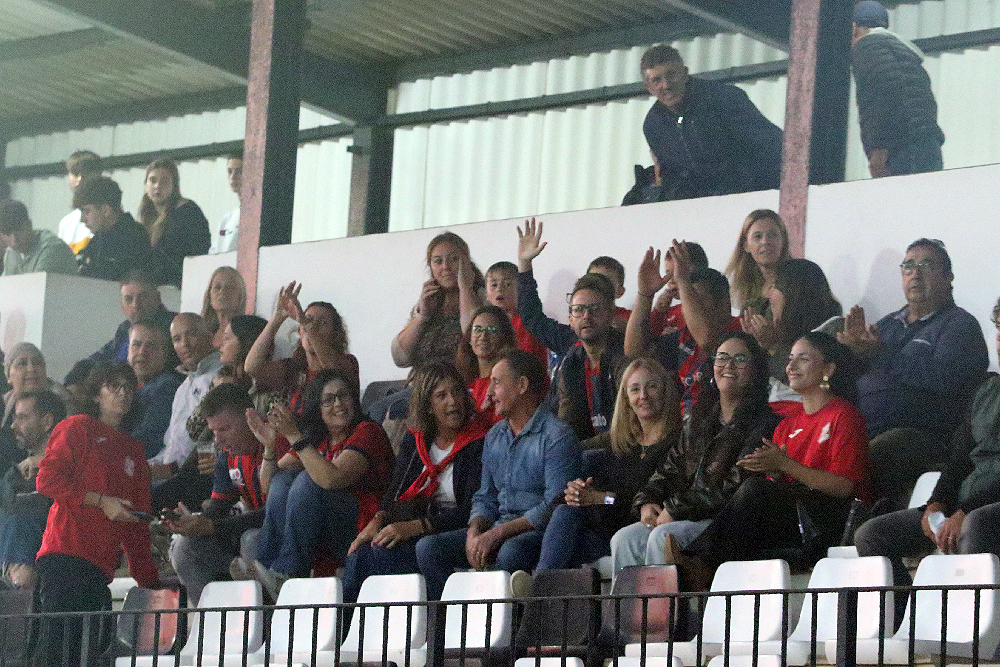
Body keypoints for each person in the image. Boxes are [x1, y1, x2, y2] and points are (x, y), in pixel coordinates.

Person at [674, 333, 869, 588]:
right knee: (754, 493)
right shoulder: (786, 425)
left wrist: (785, 465)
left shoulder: (844, 415)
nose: (791, 366)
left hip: (829, 519)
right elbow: (778, 488)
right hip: (796, 519)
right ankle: (704, 569)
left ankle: (702, 563)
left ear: (828, 369)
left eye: (802, 359)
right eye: (790, 359)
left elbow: (844, 487)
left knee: (754, 489)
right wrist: (774, 471)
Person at [855, 297, 1000, 592]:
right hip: (965, 504)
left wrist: (965, 510)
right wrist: (936, 503)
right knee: (871, 534)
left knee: (975, 526)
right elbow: (960, 459)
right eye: (999, 327)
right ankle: (906, 613)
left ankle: (978, 618)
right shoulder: (987, 389)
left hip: (983, 508)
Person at [416, 350, 581, 600]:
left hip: (538, 532)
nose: (489, 393)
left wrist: (497, 534)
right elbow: (485, 496)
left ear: (522, 386)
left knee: (510, 551)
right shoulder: (494, 436)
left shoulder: (557, 436)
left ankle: (511, 620)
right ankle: (453, 619)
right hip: (498, 526)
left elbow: (554, 505)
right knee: (428, 548)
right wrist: (474, 532)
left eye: (497, 382)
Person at [612, 333, 781, 574]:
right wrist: (647, 501)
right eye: (722, 358)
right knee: (624, 538)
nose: (729, 365)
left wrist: (676, 508)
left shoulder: (764, 423)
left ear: (755, 370)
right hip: (686, 514)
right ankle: (630, 601)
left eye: (740, 359)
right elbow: (668, 470)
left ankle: (667, 601)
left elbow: (735, 488)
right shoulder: (699, 419)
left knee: (662, 536)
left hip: (722, 521)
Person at [838, 238, 988, 506]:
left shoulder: (960, 325)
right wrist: (851, 352)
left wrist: (880, 354)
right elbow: (862, 373)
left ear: (948, 277)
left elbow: (945, 381)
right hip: (864, 425)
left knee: (869, 455)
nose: (915, 274)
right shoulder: (888, 324)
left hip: (923, 434)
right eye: (908, 266)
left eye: (926, 265)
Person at [32, 360, 159, 667]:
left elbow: (136, 523)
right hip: (64, 556)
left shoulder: (134, 450)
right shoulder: (78, 427)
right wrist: (102, 501)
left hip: (100, 567)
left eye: (128, 387)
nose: (123, 393)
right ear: (96, 393)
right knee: (58, 653)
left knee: (87, 655)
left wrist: (150, 583)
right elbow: (46, 480)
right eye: (113, 385)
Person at [342, 363, 487, 604]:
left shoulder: (478, 442)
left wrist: (416, 527)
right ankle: (344, 626)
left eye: (456, 392)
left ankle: (435, 620)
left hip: (453, 529)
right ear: (428, 406)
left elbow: (471, 510)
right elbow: (396, 488)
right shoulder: (417, 438)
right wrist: (377, 521)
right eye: (442, 395)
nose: (453, 401)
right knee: (360, 553)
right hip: (419, 525)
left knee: (389, 554)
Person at [248, 369, 392, 599]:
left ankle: (288, 573)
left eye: (343, 396)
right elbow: (269, 485)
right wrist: (269, 447)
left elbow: (331, 479)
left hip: (362, 529)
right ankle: (264, 574)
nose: (339, 404)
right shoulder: (318, 439)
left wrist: (294, 436)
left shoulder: (368, 431)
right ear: (317, 408)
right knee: (283, 481)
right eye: (329, 399)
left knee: (308, 481)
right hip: (324, 529)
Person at [536, 358, 681, 571]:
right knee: (551, 525)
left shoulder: (678, 443)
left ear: (665, 392)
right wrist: (575, 494)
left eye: (651, 387)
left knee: (558, 537)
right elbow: (606, 495)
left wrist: (601, 498)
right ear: (626, 399)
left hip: (638, 531)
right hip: (604, 529)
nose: (643, 396)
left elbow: (631, 502)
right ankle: (541, 584)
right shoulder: (623, 444)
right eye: (635, 389)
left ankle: (540, 585)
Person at [516, 218, 627, 440]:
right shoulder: (570, 343)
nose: (586, 316)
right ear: (571, 316)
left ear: (610, 310)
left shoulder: (626, 345)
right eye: (579, 309)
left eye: (594, 309)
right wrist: (524, 264)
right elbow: (532, 317)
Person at [165, 383, 268, 606]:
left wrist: (212, 526)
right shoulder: (227, 453)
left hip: (277, 535)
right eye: (213, 431)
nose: (218, 440)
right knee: (185, 547)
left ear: (250, 418)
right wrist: (194, 522)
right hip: (246, 531)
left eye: (224, 429)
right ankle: (209, 621)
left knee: (251, 540)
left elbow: (273, 514)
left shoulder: (273, 443)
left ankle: (264, 620)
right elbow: (219, 506)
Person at [639, 44, 783, 200]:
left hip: (756, 196)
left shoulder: (725, 99)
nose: (666, 85)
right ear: (648, 87)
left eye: (671, 75)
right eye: (657, 80)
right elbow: (671, 177)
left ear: (685, 73)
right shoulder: (653, 125)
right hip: (703, 208)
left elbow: (770, 147)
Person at [376, 233, 485, 421]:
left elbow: (474, 338)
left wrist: (465, 288)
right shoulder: (430, 299)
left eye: (454, 259)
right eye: (438, 261)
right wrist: (422, 317)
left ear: (467, 262)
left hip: (457, 390)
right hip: (421, 388)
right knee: (376, 411)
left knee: (386, 411)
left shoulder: (481, 295)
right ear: (431, 266)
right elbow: (399, 357)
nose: (446, 267)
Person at [627, 241, 740, 415]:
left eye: (696, 299)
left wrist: (682, 281)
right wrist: (645, 295)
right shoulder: (685, 337)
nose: (688, 307)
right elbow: (634, 352)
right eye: (687, 299)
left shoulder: (739, 330)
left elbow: (708, 340)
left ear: (723, 303)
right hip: (685, 422)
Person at [851, 0, 945, 177]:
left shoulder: (867, 47)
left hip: (901, 151)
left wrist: (879, 151)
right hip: (928, 146)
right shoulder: (905, 54)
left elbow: (886, 95)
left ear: (854, 28)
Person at [743, 258, 844, 412]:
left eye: (775, 286)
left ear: (794, 292)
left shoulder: (834, 329)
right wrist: (753, 344)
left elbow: (806, 379)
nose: (769, 295)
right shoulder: (783, 332)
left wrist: (773, 346)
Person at [245, 281, 360, 411]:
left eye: (322, 323)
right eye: (308, 319)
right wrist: (277, 318)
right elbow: (252, 367)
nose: (313, 327)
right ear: (300, 331)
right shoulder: (295, 367)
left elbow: (333, 372)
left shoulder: (348, 362)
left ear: (335, 334)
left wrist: (307, 325)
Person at [149, 313, 223, 510]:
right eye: (177, 339)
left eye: (191, 334)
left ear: (209, 335)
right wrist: (148, 466)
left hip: (196, 477)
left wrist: (172, 469)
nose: (184, 344)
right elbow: (171, 445)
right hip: (169, 474)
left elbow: (212, 439)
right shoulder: (182, 388)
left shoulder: (220, 376)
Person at [0, 390, 65, 589]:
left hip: (58, 558)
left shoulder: (72, 465)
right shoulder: (15, 475)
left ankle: (18, 582)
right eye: (13, 418)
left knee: (22, 519)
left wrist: (45, 462)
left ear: (47, 422)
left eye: (22, 418)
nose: (13, 425)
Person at [138, 157, 211, 287]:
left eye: (164, 181)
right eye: (153, 180)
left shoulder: (188, 212)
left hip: (181, 285)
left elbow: (199, 252)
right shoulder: (147, 215)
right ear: (146, 184)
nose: (157, 186)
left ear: (174, 185)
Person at [1, 343, 69, 474]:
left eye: (37, 363)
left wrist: (42, 459)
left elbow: (73, 449)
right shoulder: (5, 401)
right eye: (22, 363)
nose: (31, 368)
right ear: (8, 375)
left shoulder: (62, 400)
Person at [75, 175, 155, 282]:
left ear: (106, 210)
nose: (82, 219)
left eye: (87, 211)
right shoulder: (99, 238)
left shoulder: (135, 238)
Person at [92, 270, 177, 362]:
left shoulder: (177, 328)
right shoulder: (124, 329)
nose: (135, 304)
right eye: (128, 299)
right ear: (122, 304)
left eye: (143, 297)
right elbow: (97, 359)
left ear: (157, 298)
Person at [128, 321, 184, 459]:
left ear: (164, 355)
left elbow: (147, 440)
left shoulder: (167, 387)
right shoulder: (122, 384)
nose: (142, 351)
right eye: (136, 344)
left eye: (151, 346)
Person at [455, 304, 518, 418]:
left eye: (492, 330)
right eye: (478, 329)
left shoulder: (507, 380)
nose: (483, 336)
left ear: (503, 337)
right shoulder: (461, 378)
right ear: (469, 337)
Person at [725, 209, 791, 317]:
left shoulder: (797, 282)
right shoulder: (744, 285)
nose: (765, 241)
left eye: (772, 235)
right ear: (746, 245)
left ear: (783, 241)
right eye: (757, 236)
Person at [485, 261, 548, 366]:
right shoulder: (487, 324)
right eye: (494, 285)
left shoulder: (527, 323)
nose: (499, 289)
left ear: (520, 290)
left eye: (507, 284)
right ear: (486, 294)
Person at [0, 200, 78, 276]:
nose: (14, 240)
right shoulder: (11, 253)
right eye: (7, 234)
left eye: (19, 230)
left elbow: (36, 284)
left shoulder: (52, 249)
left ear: (30, 225)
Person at [58, 150, 102, 253]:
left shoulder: (106, 218)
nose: (80, 179)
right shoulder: (66, 223)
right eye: (75, 174)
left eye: (86, 174)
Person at [201, 266, 247, 349]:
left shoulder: (248, 332)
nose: (222, 291)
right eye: (217, 287)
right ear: (209, 296)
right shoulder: (200, 333)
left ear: (240, 296)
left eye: (230, 287)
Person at [210, 151, 243, 254]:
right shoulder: (227, 219)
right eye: (230, 171)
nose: (233, 177)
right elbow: (215, 252)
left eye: (239, 172)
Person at [588, 255, 631, 330]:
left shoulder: (631, 319)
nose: (598, 287)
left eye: (606, 283)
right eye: (593, 282)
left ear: (620, 292)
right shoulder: (577, 314)